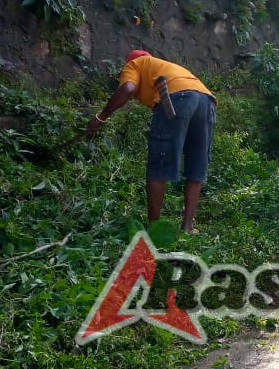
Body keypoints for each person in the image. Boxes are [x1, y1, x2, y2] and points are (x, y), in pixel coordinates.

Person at [86, 50, 217, 232]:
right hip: (206, 99)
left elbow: (128, 88)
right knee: (196, 164)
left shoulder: (134, 64)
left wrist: (101, 117)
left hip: (174, 98)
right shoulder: (162, 67)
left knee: (159, 163)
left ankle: (154, 227)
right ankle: (187, 227)